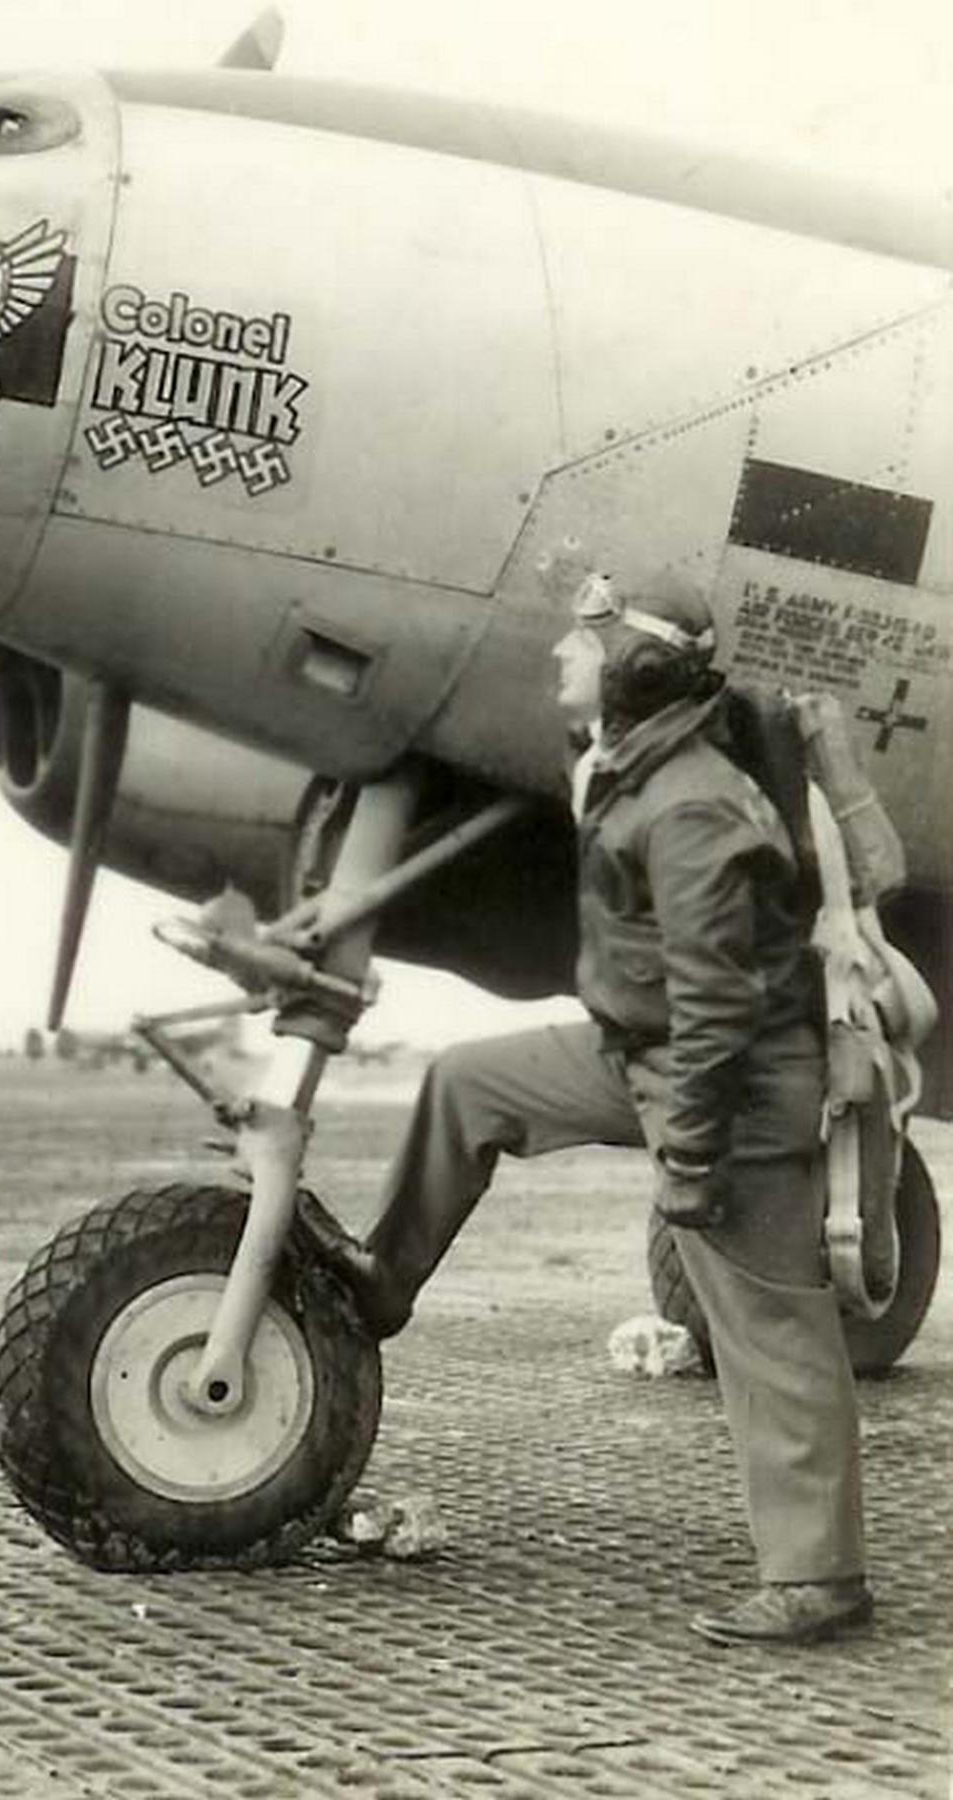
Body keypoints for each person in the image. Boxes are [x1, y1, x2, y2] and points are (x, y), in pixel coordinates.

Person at [304, 571, 871, 1646]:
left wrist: (690, 1168)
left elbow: (715, 1009)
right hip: (640, 1051)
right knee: (467, 1083)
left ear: (634, 671)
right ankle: (382, 1282)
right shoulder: (627, 768)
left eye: (580, 645)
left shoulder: (691, 804)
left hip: (733, 1079)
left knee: (763, 1319)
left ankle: (817, 1580)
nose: (559, 657)